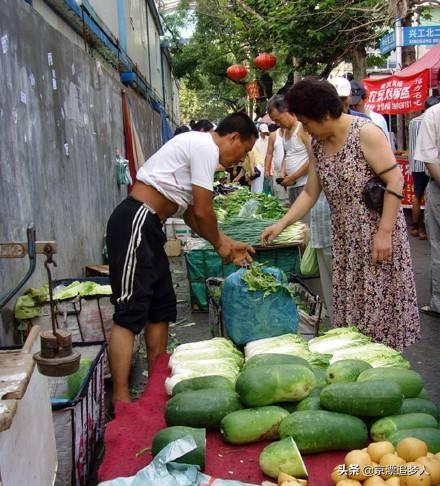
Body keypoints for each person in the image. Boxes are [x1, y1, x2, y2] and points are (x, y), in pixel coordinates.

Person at [106, 113, 257, 404]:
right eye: (245, 151)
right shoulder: (204, 146)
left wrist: (226, 243)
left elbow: (190, 215)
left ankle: (156, 386)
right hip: (136, 220)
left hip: (151, 227)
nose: (242, 159)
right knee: (129, 311)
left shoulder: (202, 151)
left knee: (160, 308)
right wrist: (221, 246)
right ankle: (121, 397)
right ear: (234, 137)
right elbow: (202, 211)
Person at [261, 78, 420, 349]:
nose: (306, 129)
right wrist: (282, 224)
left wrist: (384, 233)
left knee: (380, 311)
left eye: (307, 122)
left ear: (324, 114)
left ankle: (386, 372)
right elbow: (311, 193)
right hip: (346, 240)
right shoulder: (318, 145)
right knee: (353, 315)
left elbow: (395, 182)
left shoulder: (365, 133)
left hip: (377, 236)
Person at [414, 101, 440, 317]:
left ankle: (439, 302)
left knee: (438, 249)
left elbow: (430, 161)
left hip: (438, 188)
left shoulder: (433, 114)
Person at [267, 95, 311, 206]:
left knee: (305, 221)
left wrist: (293, 177)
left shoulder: (302, 128)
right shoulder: (285, 132)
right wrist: (282, 173)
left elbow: (314, 157)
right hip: (292, 186)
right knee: (297, 221)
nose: (277, 124)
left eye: (278, 119)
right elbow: (286, 156)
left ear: (286, 111)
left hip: (305, 185)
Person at [408, 96, 440, 240]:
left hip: (417, 165)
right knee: (425, 197)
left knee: (417, 195)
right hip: (429, 167)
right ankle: (422, 230)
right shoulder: (431, 117)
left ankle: (416, 226)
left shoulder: (413, 122)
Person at [350, 79, 391, 144]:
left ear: (365, 99)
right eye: (351, 106)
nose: (354, 108)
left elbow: (386, 145)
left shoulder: (378, 120)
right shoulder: (345, 122)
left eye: (357, 104)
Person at [250, 124, 269, 193]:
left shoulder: (268, 140)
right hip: (258, 165)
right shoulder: (255, 140)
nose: (264, 134)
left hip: (267, 165)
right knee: (257, 186)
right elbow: (251, 154)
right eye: (263, 132)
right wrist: (252, 167)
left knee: (265, 186)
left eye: (265, 133)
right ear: (259, 131)